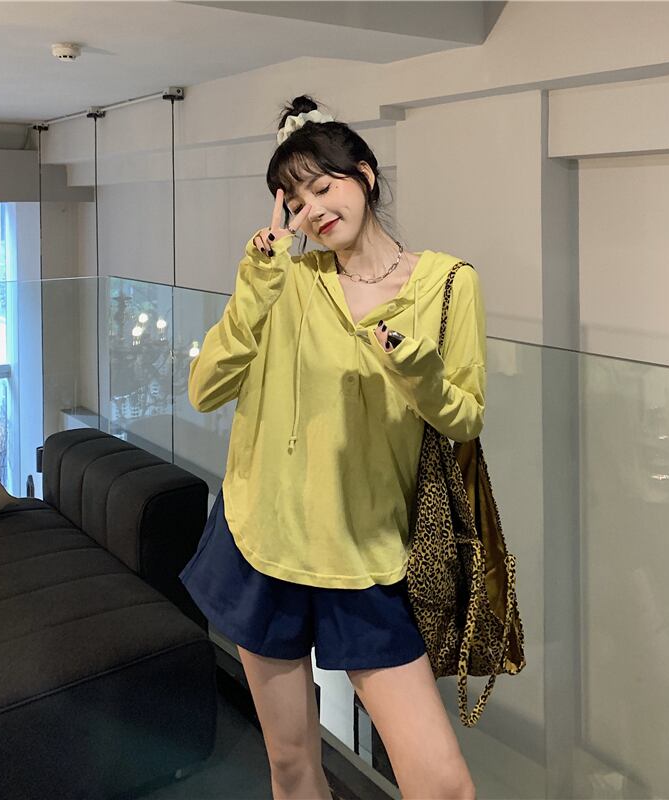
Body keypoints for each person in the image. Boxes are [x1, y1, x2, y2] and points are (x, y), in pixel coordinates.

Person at [179, 94, 485, 800]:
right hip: (266, 540)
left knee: (443, 786)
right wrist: (256, 285)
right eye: (294, 201)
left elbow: (464, 418)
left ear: (365, 175)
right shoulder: (284, 280)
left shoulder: (448, 285)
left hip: (367, 551)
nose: (312, 210)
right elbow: (205, 389)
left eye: (323, 186)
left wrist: (415, 370)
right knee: (292, 767)